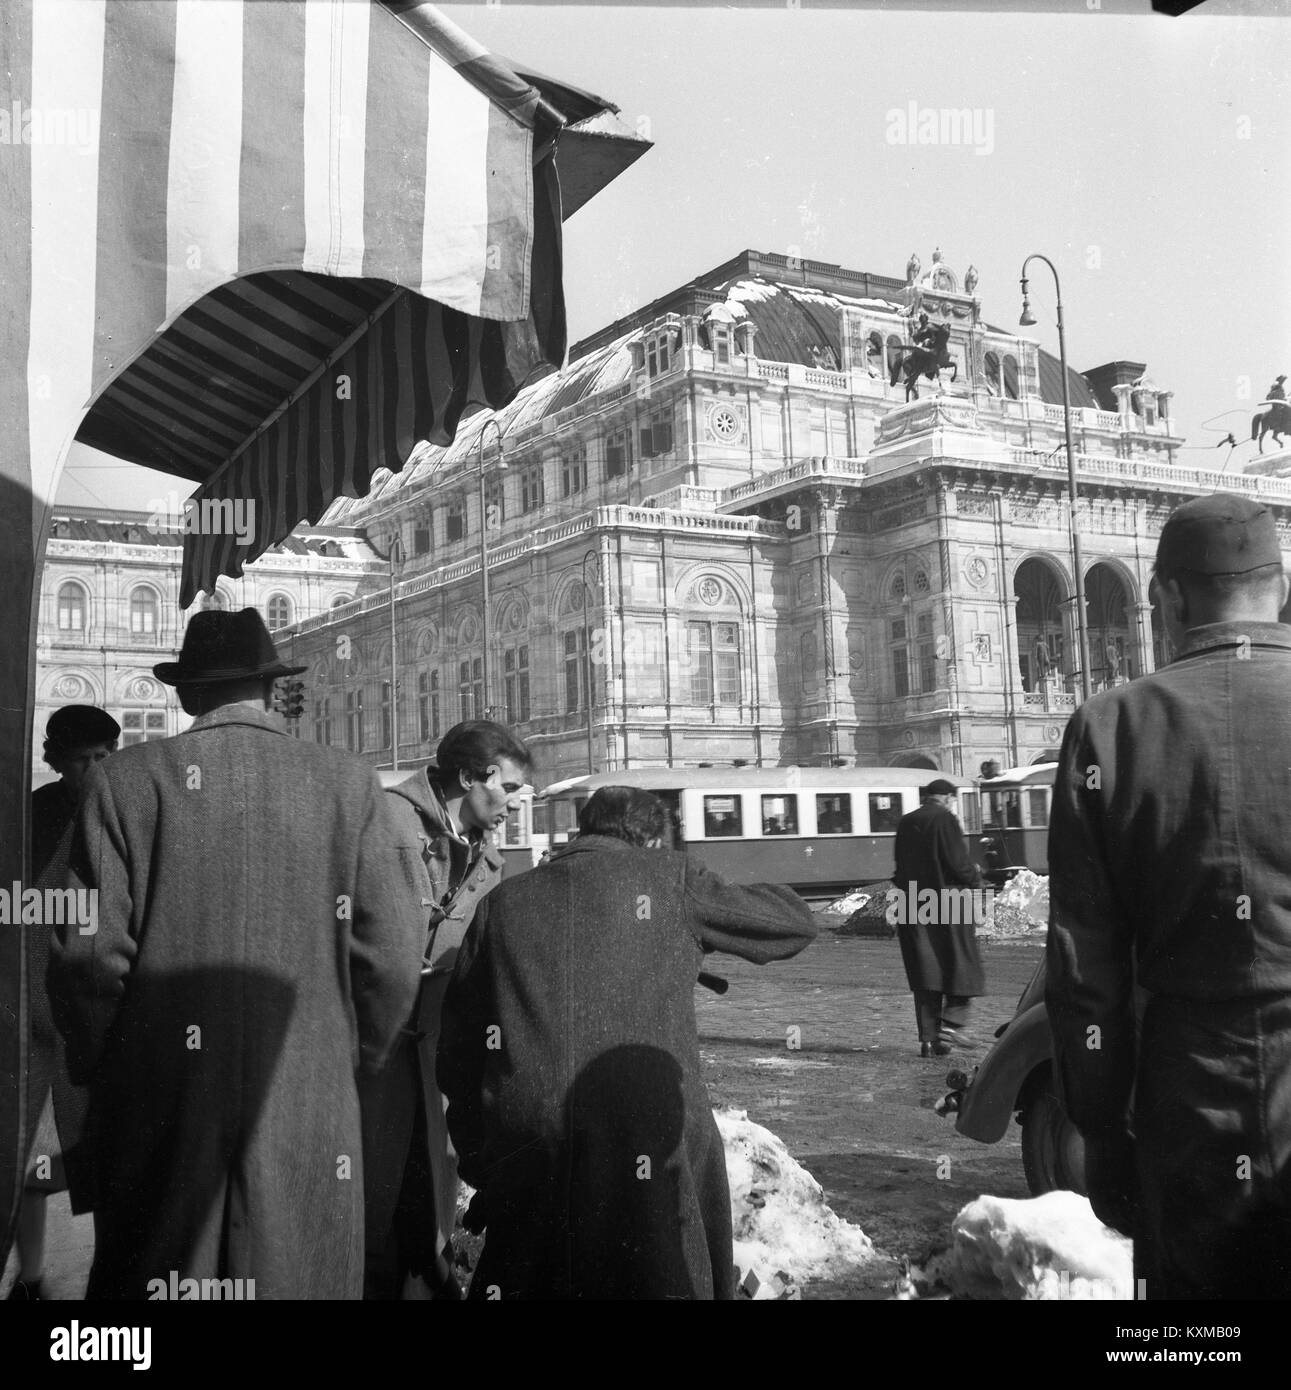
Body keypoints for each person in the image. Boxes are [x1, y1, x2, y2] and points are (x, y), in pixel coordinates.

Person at [47, 608, 423, 1300]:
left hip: (160, 1092)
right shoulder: (348, 782)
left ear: (187, 696)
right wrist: (353, 1058)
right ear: (270, 687)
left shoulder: (124, 782)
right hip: (305, 1086)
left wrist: (107, 1063)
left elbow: (88, 956)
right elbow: (394, 953)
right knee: (296, 1270)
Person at [1046, 492, 1291, 1300]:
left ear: (1168, 597)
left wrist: (1101, 1134)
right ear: (1279, 587)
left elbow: (1085, 974)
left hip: (1189, 1099)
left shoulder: (1110, 727)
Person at [437, 785, 817, 1299]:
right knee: (659, 1270)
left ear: (582, 830)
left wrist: (483, 1157)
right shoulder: (671, 878)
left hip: (529, 1138)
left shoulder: (503, 902)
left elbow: (458, 1050)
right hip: (647, 1135)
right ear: (652, 840)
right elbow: (793, 923)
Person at [361, 720, 532, 1300]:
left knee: (428, 1179)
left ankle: (423, 1271)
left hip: (432, 1048)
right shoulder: (388, 824)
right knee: (375, 1186)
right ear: (468, 778)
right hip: (373, 1047)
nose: (516, 803)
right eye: (508, 788)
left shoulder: (486, 856)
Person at [9, 706, 121, 1299]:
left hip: (105, 1008)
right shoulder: (33, 817)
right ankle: (32, 1277)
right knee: (33, 1165)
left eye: (106, 757)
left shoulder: (127, 813)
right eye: (83, 760)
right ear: (55, 761)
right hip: (40, 1009)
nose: (96, 770)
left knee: (105, 1157)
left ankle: (111, 1278)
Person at [892, 779, 985, 1057]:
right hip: (947, 900)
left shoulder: (906, 821)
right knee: (962, 963)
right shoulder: (946, 819)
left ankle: (929, 1039)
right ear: (945, 797)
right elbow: (957, 862)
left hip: (911, 901)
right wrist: (975, 877)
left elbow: (899, 865)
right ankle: (952, 1025)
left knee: (925, 972)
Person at [30, 706, 120, 879]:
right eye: (80, 758)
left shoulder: (127, 806)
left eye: (100, 757)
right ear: (57, 762)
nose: (92, 769)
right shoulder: (37, 807)